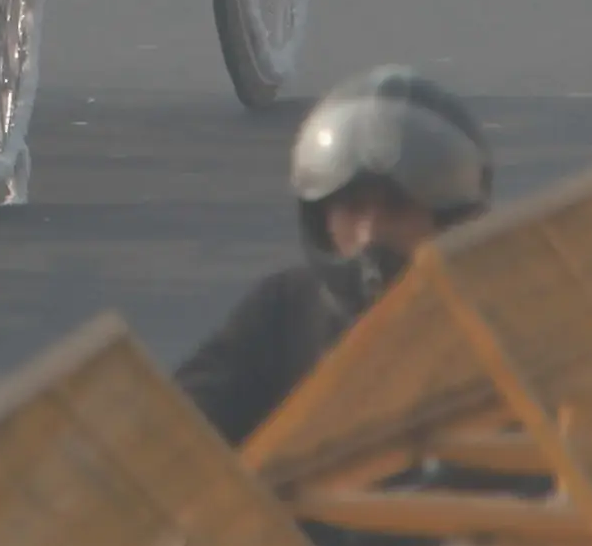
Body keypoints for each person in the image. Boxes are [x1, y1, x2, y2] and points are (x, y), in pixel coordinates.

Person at [174, 68, 495, 446]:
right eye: (352, 207)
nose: (370, 233)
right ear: (322, 216)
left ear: (446, 219)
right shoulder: (284, 311)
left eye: (396, 208)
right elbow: (178, 425)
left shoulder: (497, 322)